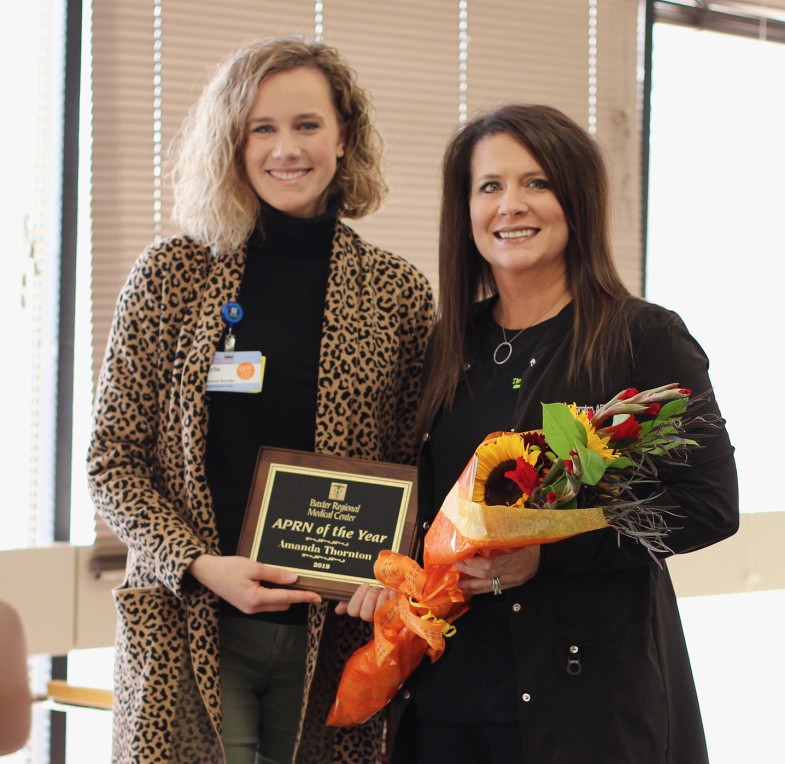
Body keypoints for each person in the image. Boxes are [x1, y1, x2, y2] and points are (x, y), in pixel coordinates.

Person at [87, 38, 433, 764]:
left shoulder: (396, 294)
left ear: (343, 136)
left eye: (306, 125)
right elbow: (110, 462)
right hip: (189, 617)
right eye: (261, 128)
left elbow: (412, 464)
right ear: (232, 143)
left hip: (331, 631)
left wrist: (389, 571)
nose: (286, 149)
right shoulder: (169, 277)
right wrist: (199, 564)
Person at [384, 105, 738, 764]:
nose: (509, 205)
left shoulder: (642, 338)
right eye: (488, 186)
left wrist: (547, 555)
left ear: (576, 198)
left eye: (536, 183)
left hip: (586, 703)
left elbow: (707, 506)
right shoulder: (445, 347)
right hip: (453, 698)